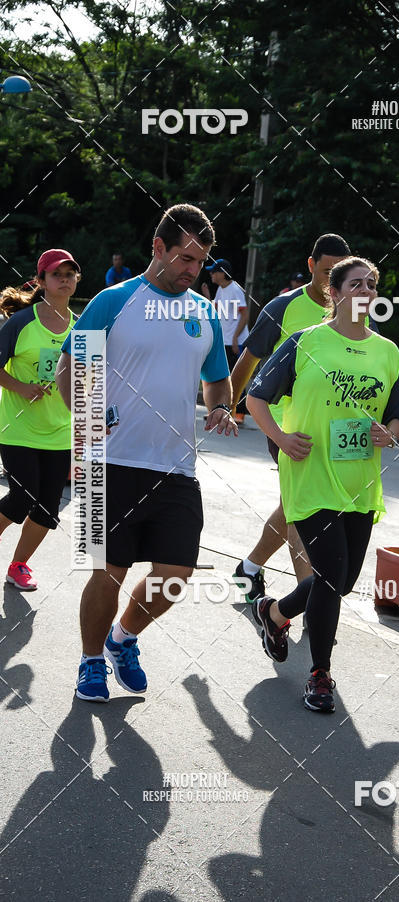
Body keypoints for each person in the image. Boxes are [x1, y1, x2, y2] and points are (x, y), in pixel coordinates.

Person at [56, 204, 237, 703]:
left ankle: (123, 638)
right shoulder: (114, 301)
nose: (191, 270)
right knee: (107, 572)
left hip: (176, 467)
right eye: (184, 258)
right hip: (108, 464)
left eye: (199, 262)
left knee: (175, 577)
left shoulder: (203, 314)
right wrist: (88, 423)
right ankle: (91, 661)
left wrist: (221, 408)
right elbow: (70, 373)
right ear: (157, 248)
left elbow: (217, 383)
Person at [246, 257, 399, 712]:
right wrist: (280, 438)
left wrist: (390, 433)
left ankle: (274, 613)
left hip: (360, 482)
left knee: (338, 580)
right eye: (355, 284)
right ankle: (320, 674)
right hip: (310, 476)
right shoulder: (306, 343)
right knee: (330, 573)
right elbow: (256, 396)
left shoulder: (388, 352)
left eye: (372, 285)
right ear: (334, 293)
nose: (365, 291)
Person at [230, 234, 350, 602]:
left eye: (339, 275)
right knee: (303, 507)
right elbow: (248, 360)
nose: (333, 283)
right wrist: (225, 407)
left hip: (336, 428)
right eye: (327, 272)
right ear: (311, 267)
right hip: (285, 425)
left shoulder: (355, 312)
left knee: (293, 506)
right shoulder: (282, 308)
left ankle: (249, 569)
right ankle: (308, 596)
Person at [0, 249, 79, 590]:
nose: (64, 279)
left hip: (58, 432)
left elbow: (88, 381)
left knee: (47, 511)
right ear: (42, 281)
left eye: (70, 274)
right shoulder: (20, 322)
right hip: (17, 427)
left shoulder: (82, 327)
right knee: (22, 497)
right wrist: (21, 386)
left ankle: (19, 565)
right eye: (56, 274)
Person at [207, 258, 248, 424]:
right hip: (224, 339)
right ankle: (220, 411)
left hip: (235, 341)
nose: (211, 274)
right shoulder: (220, 290)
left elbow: (245, 315)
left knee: (236, 376)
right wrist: (207, 297)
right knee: (222, 376)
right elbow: (214, 309)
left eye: (214, 271)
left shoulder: (235, 290)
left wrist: (236, 338)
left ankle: (239, 413)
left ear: (223, 273)